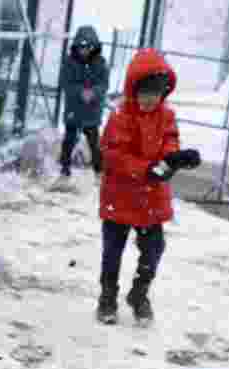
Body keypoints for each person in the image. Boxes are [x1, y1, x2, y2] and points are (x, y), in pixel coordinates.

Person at [96, 48, 201, 325]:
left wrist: (174, 160)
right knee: (112, 251)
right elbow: (113, 155)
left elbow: (170, 143)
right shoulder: (120, 117)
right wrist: (146, 169)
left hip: (149, 200)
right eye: (144, 93)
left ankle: (139, 293)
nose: (149, 100)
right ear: (133, 90)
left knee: (154, 249)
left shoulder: (166, 116)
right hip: (119, 197)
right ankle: (107, 296)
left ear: (163, 94)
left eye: (155, 94)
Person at [57, 25, 110, 179]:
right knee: (68, 141)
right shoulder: (69, 62)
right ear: (76, 46)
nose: (84, 50)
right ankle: (64, 171)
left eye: (88, 47)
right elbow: (65, 82)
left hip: (91, 111)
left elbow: (104, 84)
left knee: (94, 143)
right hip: (74, 109)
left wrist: (94, 92)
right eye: (81, 47)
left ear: (94, 46)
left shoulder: (100, 63)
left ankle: (99, 172)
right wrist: (80, 91)